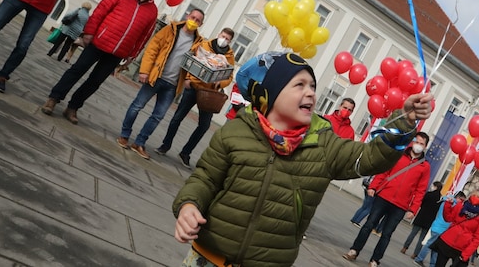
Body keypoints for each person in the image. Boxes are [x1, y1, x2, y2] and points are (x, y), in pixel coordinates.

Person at [172, 52, 434, 267]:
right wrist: (188, 206)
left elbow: (371, 158)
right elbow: (204, 178)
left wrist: (404, 120)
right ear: (271, 95)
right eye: (299, 85)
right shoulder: (236, 131)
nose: (311, 93)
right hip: (208, 256)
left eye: (312, 86)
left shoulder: (323, 143)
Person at [40, 0, 160, 124]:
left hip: (118, 52)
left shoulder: (152, 11)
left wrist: (133, 55)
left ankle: (73, 107)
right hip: (99, 42)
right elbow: (100, 11)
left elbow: (144, 36)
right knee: (77, 70)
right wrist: (89, 32)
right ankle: (53, 99)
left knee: (95, 82)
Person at [116, 10, 204, 160]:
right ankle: (124, 135)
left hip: (172, 84)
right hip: (156, 76)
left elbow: (195, 64)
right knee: (137, 106)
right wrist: (144, 71)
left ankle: (140, 143)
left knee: (158, 116)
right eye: (192, 17)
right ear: (187, 16)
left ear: (200, 24)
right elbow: (153, 48)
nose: (194, 21)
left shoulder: (198, 43)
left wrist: (190, 79)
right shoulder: (171, 29)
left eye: (198, 20)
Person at [343, 132, 431, 267]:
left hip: (400, 205)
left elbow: (421, 190)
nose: (418, 145)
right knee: (368, 225)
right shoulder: (398, 155)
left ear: (425, 147)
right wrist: (373, 186)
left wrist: (413, 209)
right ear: (412, 142)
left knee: (387, 234)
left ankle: (375, 260)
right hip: (384, 196)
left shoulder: (425, 167)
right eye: (417, 142)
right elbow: (385, 172)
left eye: (421, 144)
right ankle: (354, 250)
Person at [156, 27, 235, 168]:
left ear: (230, 41)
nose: (224, 40)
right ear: (219, 34)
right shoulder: (204, 45)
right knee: (177, 117)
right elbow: (191, 61)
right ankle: (165, 144)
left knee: (204, 126)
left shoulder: (229, 56)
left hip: (209, 93)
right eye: (223, 36)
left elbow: (229, 75)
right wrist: (187, 78)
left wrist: (221, 83)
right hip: (193, 86)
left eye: (227, 39)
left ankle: (186, 152)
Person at [430, 190, 479, 267]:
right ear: (470, 196)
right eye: (474, 195)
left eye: (478, 197)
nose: (475, 198)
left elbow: (478, 238)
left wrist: (466, 254)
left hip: (462, 248)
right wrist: (448, 204)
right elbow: (448, 218)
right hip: (447, 241)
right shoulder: (460, 206)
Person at [413, 191, 466, 267]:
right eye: (462, 200)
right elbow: (450, 217)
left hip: (437, 225)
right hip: (442, 228)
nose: (462, 203)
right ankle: (419, 259)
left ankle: (431, 264)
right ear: (458, 198)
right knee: (430, 245)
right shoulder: (453, 204)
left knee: (435, 247)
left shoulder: (445, 201)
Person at [401, 181, 443, 258]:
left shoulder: (428, 194)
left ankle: (405, 247)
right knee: (422, 238)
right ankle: (415, 254)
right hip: (429, 220)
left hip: (421, 216)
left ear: (435, 187)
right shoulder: (440, 199)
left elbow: (422, 203)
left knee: (413, 233)